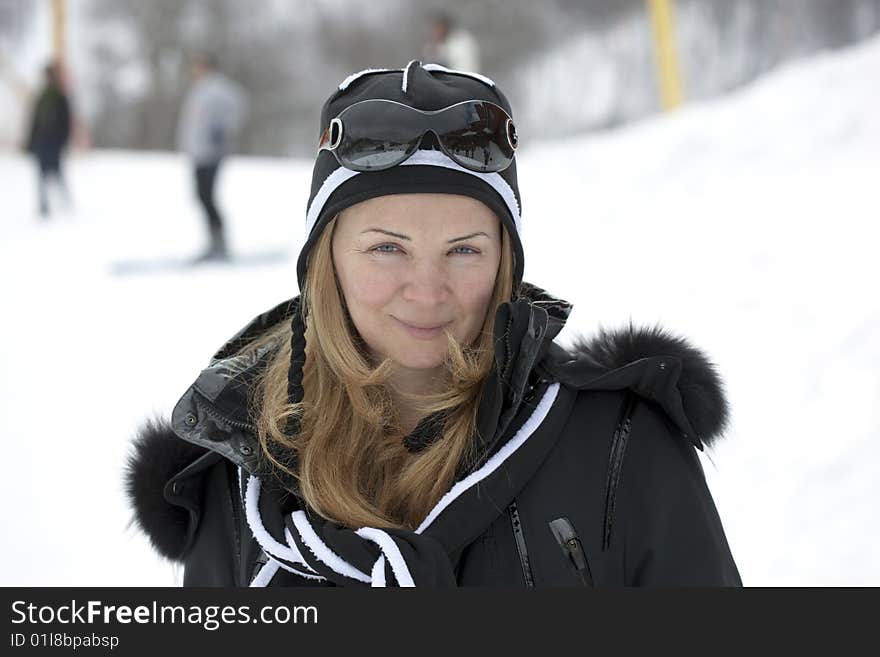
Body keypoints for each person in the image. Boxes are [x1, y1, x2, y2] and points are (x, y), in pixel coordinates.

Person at [126, 61, 741, 587]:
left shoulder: (623, 446)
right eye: (386, 249)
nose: (427, 292)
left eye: (464, 250)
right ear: (325, 262)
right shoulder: (237, 474)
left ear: (506, 261)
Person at [176, 53, 248, 262]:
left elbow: (238, 105)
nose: (194, 71)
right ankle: (213, 243)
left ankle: (220, 245)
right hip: (198, 153)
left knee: (207, 197)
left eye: (198, 66)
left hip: (211, 153)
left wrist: (223, 131)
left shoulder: (218, 88)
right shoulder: (199, 89)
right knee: (201, 196)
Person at [25, 61, 71, 218]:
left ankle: (65, 203)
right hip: (42, 142)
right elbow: (35, 121)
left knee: (57, 173)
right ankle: (44, 205)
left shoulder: (60, 96)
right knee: (41, 175)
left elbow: (66, 121)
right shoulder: (42, 96)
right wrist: (30, 142)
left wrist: (63, 141)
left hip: (54, 142)